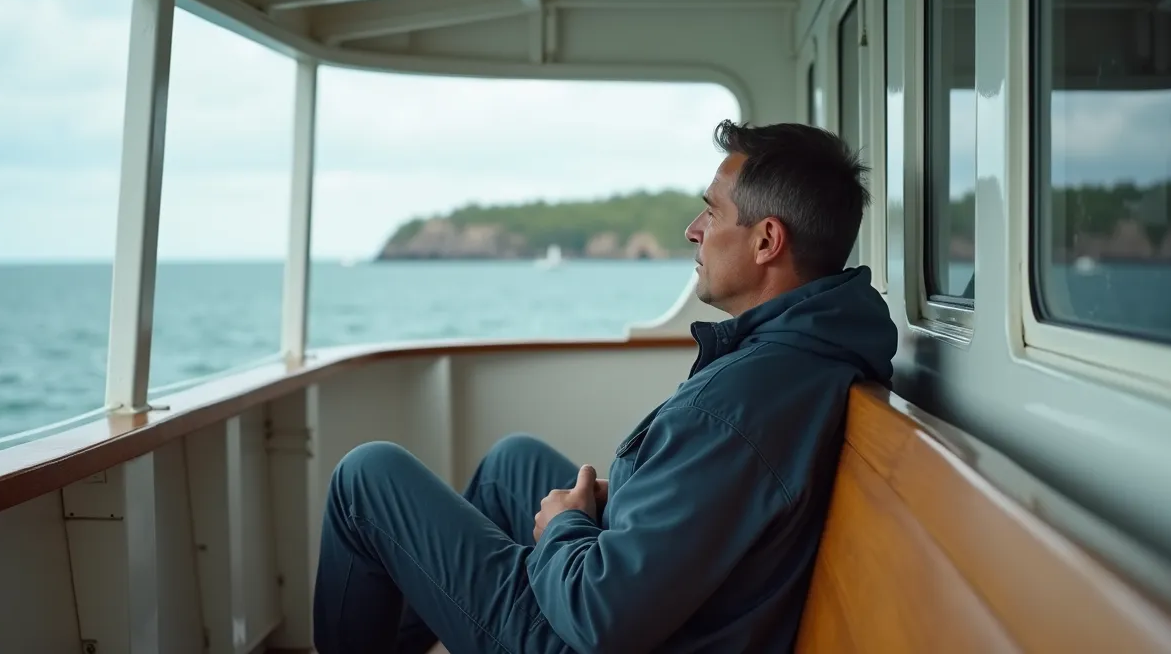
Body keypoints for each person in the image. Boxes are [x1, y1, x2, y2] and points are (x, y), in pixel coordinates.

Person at [313, 120, 898, 653]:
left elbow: (601, 618)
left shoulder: (741, 404)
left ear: (767, 241)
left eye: (712, 213)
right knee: (510, 464)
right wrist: (607, 508)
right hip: (666, 608)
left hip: (593, 635)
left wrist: (564, 528)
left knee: (366, 477)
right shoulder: (808, 354)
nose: (693, 230)